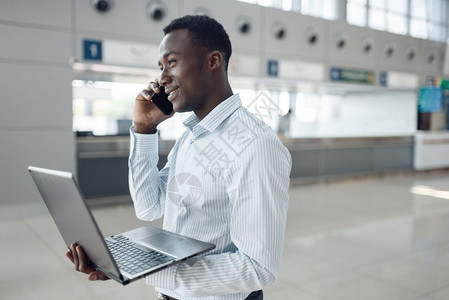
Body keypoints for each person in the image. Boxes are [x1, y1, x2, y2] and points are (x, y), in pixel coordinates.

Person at [66, 15, 292, 300]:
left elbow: (259, 268)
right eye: (160, 67)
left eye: (172, 62)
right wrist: (144, 130)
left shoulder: (254, 145)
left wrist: (152, 268)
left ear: (213, 61)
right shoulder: (190, 137)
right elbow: (149, 207)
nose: (161, 78)